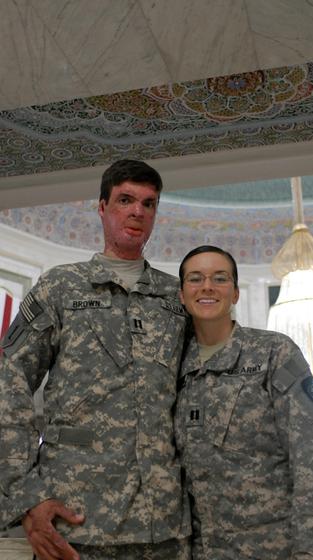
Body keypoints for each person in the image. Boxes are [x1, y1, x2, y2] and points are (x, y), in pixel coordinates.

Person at [0, 159, 191, 560]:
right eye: (125, 199)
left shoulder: (179, 298)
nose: (137, 211)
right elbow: (8, 383)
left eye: (148, 203)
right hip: (74, 526)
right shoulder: (61, 286)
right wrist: (25, 497)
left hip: (164, 529)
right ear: (102, 208)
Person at [175, 245, 313, 560]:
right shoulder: (173, 365)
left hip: (273, 549)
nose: (207, 286)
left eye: (219, 278)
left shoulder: (274, 353)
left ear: (235, 293)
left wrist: (310, 552)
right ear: (182, 295)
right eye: (195, 279)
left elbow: (312, 461)